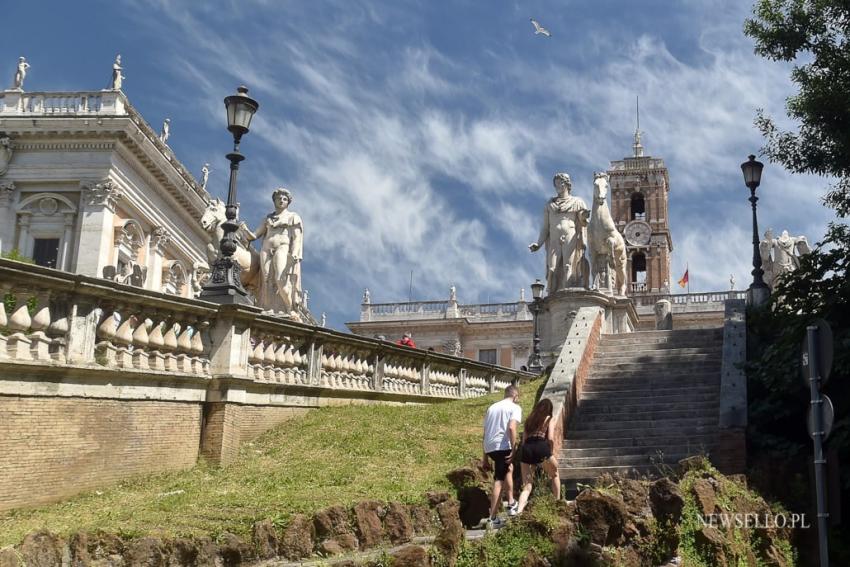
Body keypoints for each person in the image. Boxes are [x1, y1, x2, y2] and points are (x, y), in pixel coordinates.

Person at [246, 187, 304, 318]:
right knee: (265, 279)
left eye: (284, 199)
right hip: (266, 249)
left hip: (282, 247)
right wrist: (243, 230)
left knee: (280, 278)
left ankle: (289, 308)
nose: (282, 201)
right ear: (274, 201)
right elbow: (255, 235)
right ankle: (267, 308)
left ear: (288, 202)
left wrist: (295, 254)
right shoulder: (268, 218)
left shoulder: (292, 217)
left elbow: (296, 238)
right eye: (279, 198)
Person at [529, 172, 590, 291]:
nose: (557, 186)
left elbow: (582, 221)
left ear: (567, 184)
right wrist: (538, 244)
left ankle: (568, 291)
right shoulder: (550, 205)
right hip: (554, 238)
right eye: (555, 184)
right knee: (552, 268)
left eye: (559, 183)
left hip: (570, 235)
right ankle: (553, 292)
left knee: (569, 265)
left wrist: (584, 218)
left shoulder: (577, 202)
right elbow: (545, 227)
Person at [481, 385, 522, 528]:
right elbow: (512, 427)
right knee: (499, 480)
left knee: (508, 469)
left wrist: (485, 458)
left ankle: (511, 503)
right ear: (515, 396)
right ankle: (492, 518)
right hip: (502, 446)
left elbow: (485, 432)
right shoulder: (514, 407)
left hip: (490, 447)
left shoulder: (492, 407)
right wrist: (513, 448)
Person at [515, 398, 561, 515]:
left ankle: (519, 511)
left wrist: (528, 454)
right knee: (554, 474)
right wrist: (550, 452)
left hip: (527, 449)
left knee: (527, 485)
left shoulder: (529, 420)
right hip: (541, 447)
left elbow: (524, 440)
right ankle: (557, 503)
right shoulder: (549, 419)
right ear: (549, 410)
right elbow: (550, 438)